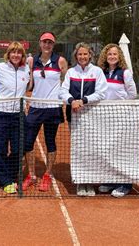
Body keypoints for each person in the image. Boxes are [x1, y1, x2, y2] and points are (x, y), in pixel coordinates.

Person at [59, 42, 107, 196]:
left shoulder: (97, 71)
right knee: (78, 147)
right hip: (74, 114)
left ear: (90, 55)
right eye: (80, 54)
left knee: (92, 147)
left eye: (85, 54)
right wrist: (72, 100)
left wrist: (83, 100)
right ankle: (80, 181)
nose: (82, 57)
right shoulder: (71, 72)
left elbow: (101, 93)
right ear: (76, 56)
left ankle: (90, 181)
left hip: (92, 115)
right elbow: (63, 91)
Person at [22, 32, 68, 192]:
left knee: (50, 142)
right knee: (28, 142)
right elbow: (30, 85)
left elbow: (66, 84)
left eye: (50, 42)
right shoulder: (31, 61)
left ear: (53, 44)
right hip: (35, 107)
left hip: (52, 108)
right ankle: (32, 175)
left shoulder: (60, 61)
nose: (47, 45)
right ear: (40, 43)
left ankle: (47, 174)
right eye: (44, 42)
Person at [97, 43, 138, 198]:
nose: (112, 57)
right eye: (109, 54)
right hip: (105, 118)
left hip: (121, 118)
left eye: (115, 54)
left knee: (121, 150)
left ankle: (125, 184)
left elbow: (132, 94)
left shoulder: (125, 73)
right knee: (108, 149)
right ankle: (112, 181)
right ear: (105, 57)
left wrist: (120, 109)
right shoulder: (103, 72)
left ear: (119, 56)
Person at [0, 42, 31, 194]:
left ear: (22, 55)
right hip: (0, 114)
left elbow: (28, 87)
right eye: (13, 52)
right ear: (8, 54)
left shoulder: (26, 69)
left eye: (19, 52)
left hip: (18, 115)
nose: (16, 55)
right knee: (1, 149)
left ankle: (11, 175)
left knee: (18, 149)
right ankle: (5, 180)